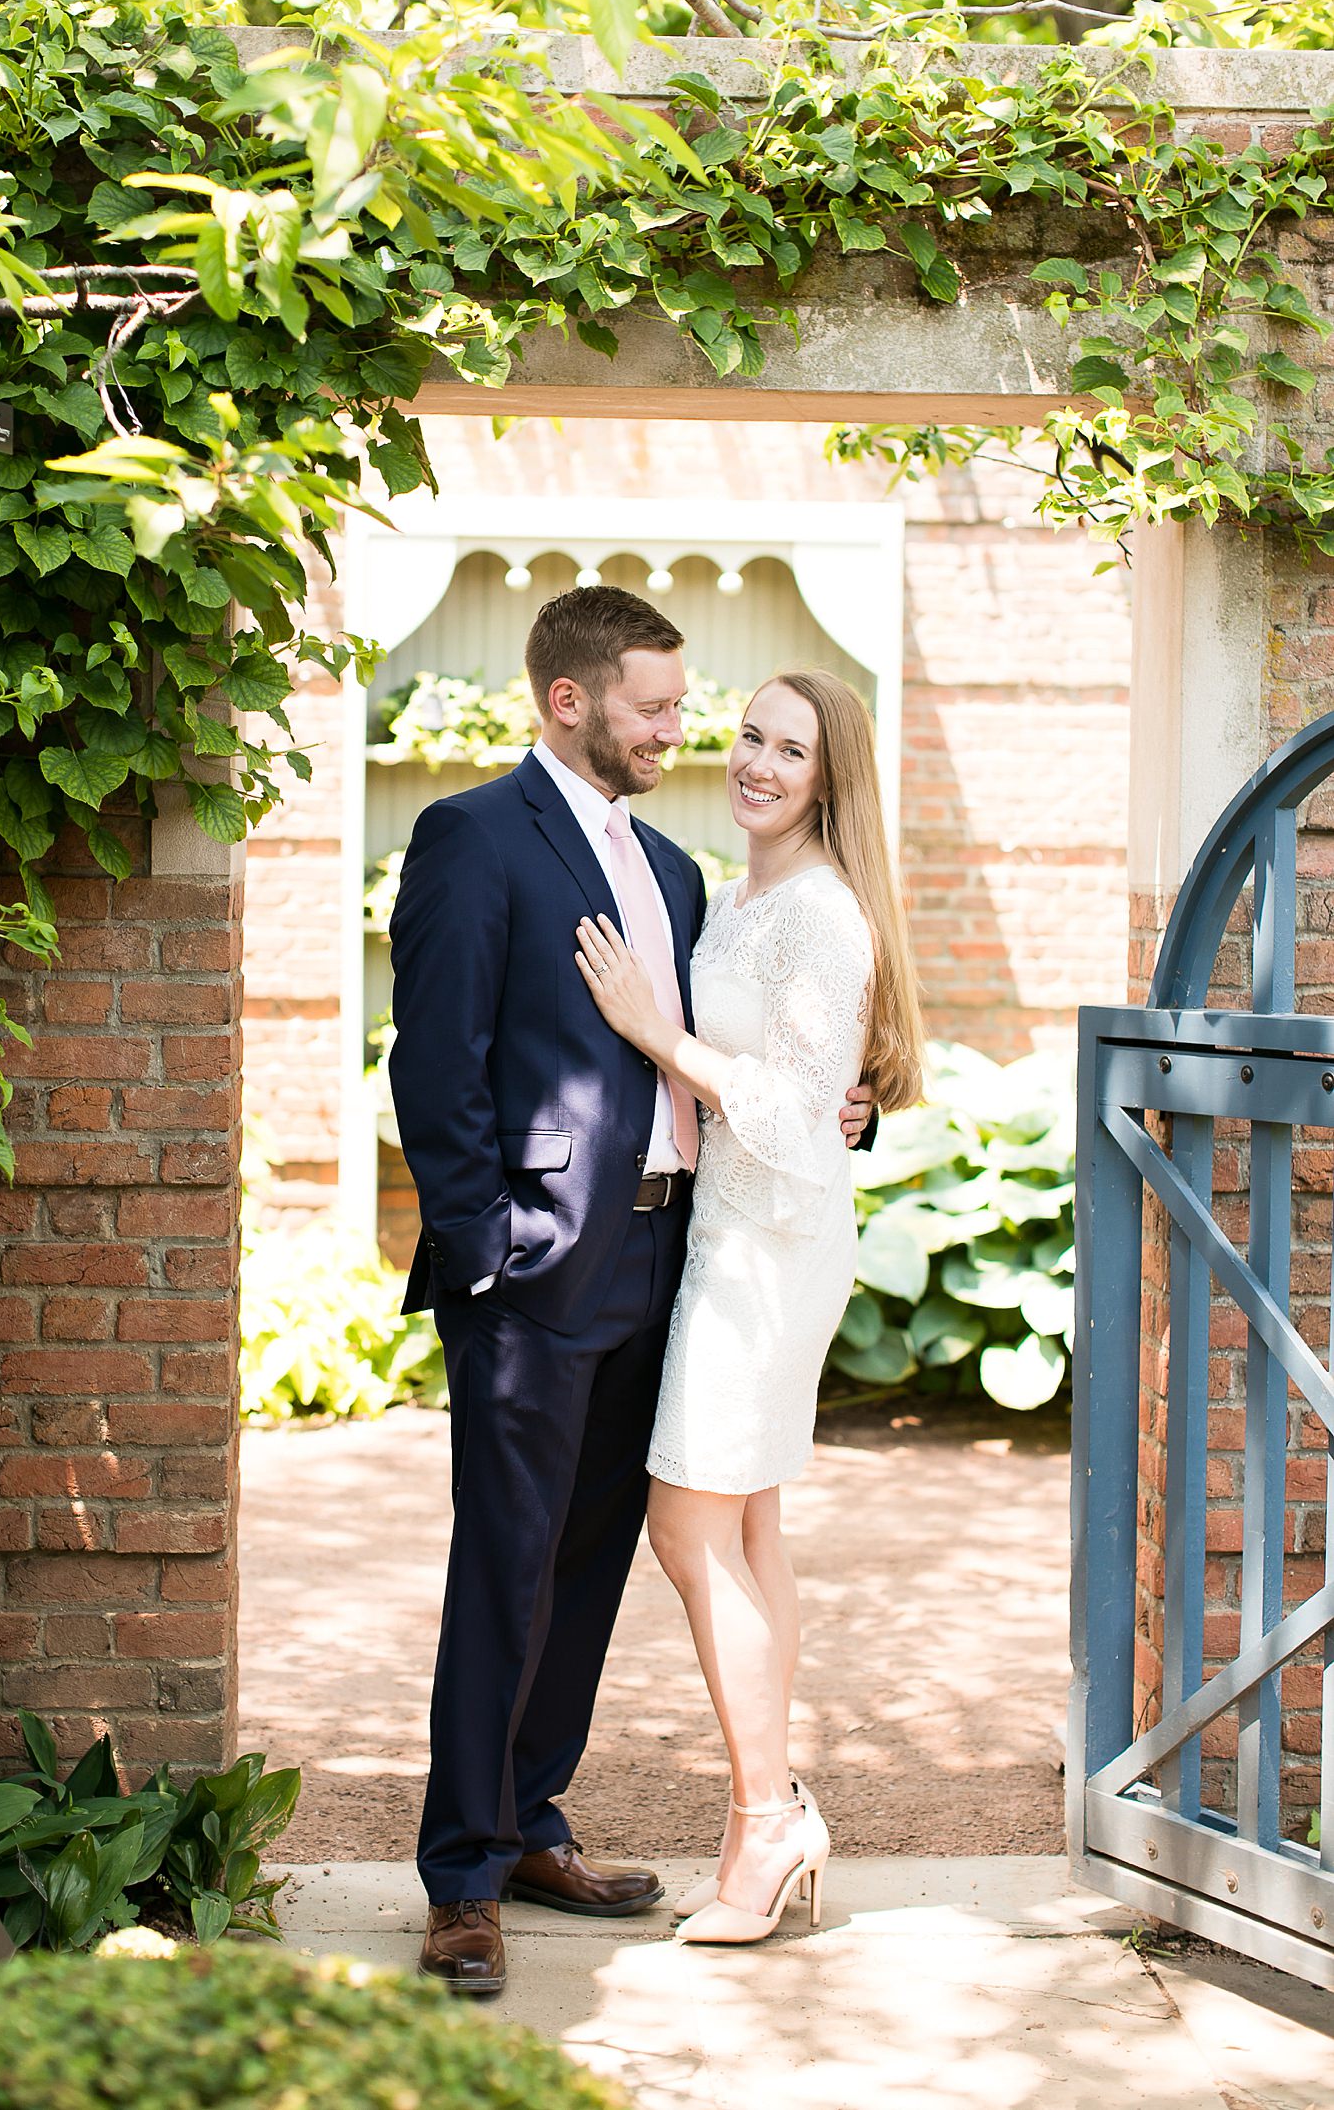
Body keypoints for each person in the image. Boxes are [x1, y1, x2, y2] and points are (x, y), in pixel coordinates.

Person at [387, 590, 875, 1994]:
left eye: (682, 706)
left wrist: (844, 1111)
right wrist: (485, 1247)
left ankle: (534, 1816)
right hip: (534, 1275)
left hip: (676, 1261)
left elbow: (751, 1047)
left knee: (593, 1565)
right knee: (505, 1564)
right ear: (569, 702)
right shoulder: (474, 838)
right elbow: (437, 1064)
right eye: (656, 707)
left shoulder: (674, 872)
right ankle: (462, 1876)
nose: (682, 729)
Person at [575, 666, 923, 1945]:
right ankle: (775, 1812)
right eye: (749, 737)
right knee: (751, 1531)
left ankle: (765, 1818)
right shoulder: (750, 890)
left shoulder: (823, 914)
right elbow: (807, 1083)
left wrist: (653, 1031)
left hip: (764, 1252)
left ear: (831, 779)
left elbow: (788, 1116)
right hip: (740, 1232)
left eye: (791, 751)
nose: (757, 764)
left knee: (685, 1527)